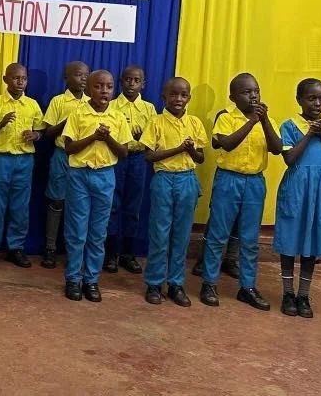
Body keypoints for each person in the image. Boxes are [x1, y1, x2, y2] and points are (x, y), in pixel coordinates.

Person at [199, 73, 281, 311]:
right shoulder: (226, 118)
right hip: (228, 180)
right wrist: (251, 122)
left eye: (256, 90)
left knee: (249, 239)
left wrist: (264, 121)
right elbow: (227, 144)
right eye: (246, 92)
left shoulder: (268, 120)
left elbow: (276, 149)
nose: (253, 95)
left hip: (254, 182)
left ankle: (248, 287)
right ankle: (209, 282)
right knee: (218, 234)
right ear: (233, 97)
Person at [275, 78, 321, 318]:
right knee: (290, 239)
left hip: (319, 191)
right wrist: (309, 133)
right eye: (311, 98)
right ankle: (287, 292)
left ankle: (303, 295)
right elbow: (289, 158)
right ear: (299, 100)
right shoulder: (289, 126)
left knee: (311, 242)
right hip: (296, 188)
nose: (317, 103)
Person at [61, 70, 132, 302]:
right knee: (77, 230)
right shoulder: (78, 113)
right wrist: (93, 137)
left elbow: (123, 152)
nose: (104, 91)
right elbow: (69, 148)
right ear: (89, 89)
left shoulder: (118, 117)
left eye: (109, 87)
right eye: (99, 86)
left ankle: (91, 280)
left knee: (98, 231)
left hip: (105, 176)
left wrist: (108, 138)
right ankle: (73, 279)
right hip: (79, 175)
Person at [140, 78, 206, 306]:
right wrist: (178, 149)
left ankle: (176, 283)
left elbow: (201, 157)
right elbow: (148, 156)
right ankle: (154, 283)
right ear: (164, 97)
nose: (179, 99)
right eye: (174, 95)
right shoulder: (156, 122)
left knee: (182, 235)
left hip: (187, 180)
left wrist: (191, 151)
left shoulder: (195, 123)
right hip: (164, 180)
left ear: (189, 98)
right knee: (159, 234)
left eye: (184, 95)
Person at [0, 63, 45, 268]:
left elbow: (41, 130)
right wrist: (1, 123)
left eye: (24, 78)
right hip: (0, 159)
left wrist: (35, 135)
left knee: (20, 207)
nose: (20, 82)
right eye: (15, 78)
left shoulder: (32, 105)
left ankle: (15, 248)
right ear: (5, 79)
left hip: (24, 161)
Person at [105, 65, 156, 274]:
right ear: (121, 82)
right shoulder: (112, 106)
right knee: (113, 205)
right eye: (127, 80)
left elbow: (153, 134)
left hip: (139, 158)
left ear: (143, 83)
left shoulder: (149, 109)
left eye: (136, 80)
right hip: (116, 157)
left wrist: (140, 138)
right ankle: (110, 254)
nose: (132, 84)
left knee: (133, 207)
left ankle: (128, 253)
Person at [40, 61, 89, 269]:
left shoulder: (92, 102)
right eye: (78, 75)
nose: (83, 79)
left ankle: (74, 250)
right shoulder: (58, 101)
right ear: (66, 78)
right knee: (56, 201)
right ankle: (50, 248)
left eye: (86, 75)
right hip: (61, 156)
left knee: (78, 207)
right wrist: (67, 122)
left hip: (83, 159)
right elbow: (48, 132)